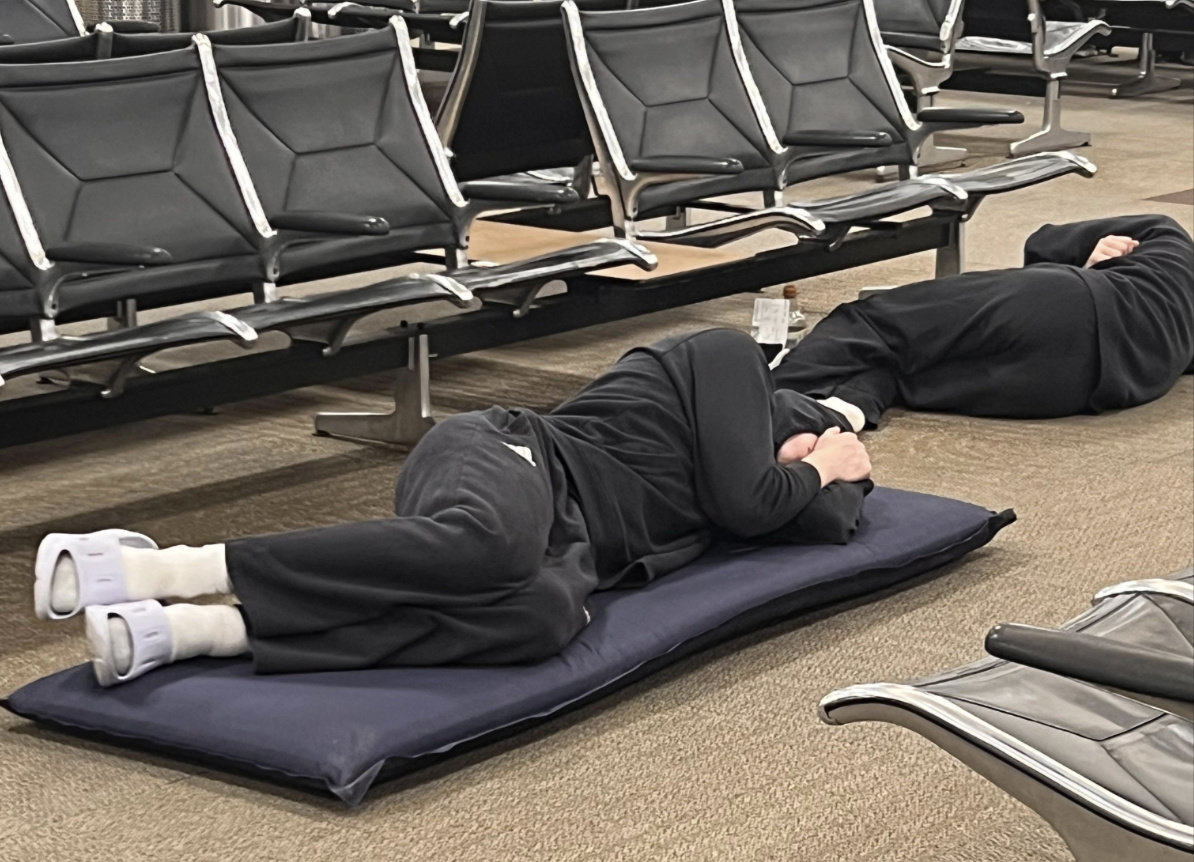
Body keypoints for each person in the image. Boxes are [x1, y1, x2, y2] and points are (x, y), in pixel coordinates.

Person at [33, 329, 874, 687]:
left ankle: (192, 633)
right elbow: (755, 501)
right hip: (510, 452)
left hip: (569, 547)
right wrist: (823, 459)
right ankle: (156, 566)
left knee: (543, 618)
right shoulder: (725, 359)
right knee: (490, 549)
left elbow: (824, 526)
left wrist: (830, 478)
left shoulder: (775, 472)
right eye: (812, 429)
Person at [771, 215, 1194, 426]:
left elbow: (1043, 243)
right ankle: (839, 413)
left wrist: (1089, 258)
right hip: (1073, 392)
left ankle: (744, 403)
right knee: (905, 373)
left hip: (1064, 302)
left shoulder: (1165, 234)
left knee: (869, 323)